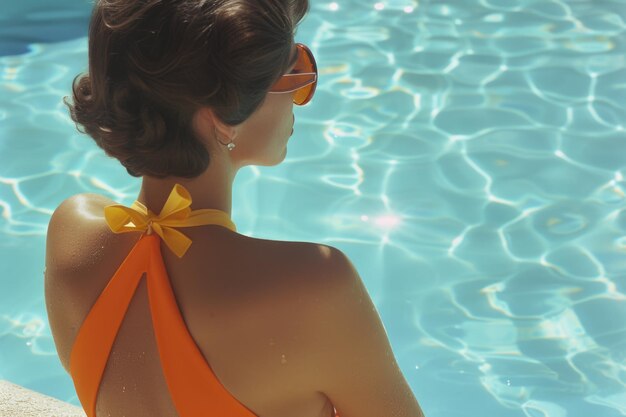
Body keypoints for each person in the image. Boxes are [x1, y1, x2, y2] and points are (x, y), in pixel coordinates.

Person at [44, 1, 425, 416]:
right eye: (291, 70)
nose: (300, 96)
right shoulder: (315, 286)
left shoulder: (72, 234)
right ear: (223, 117)